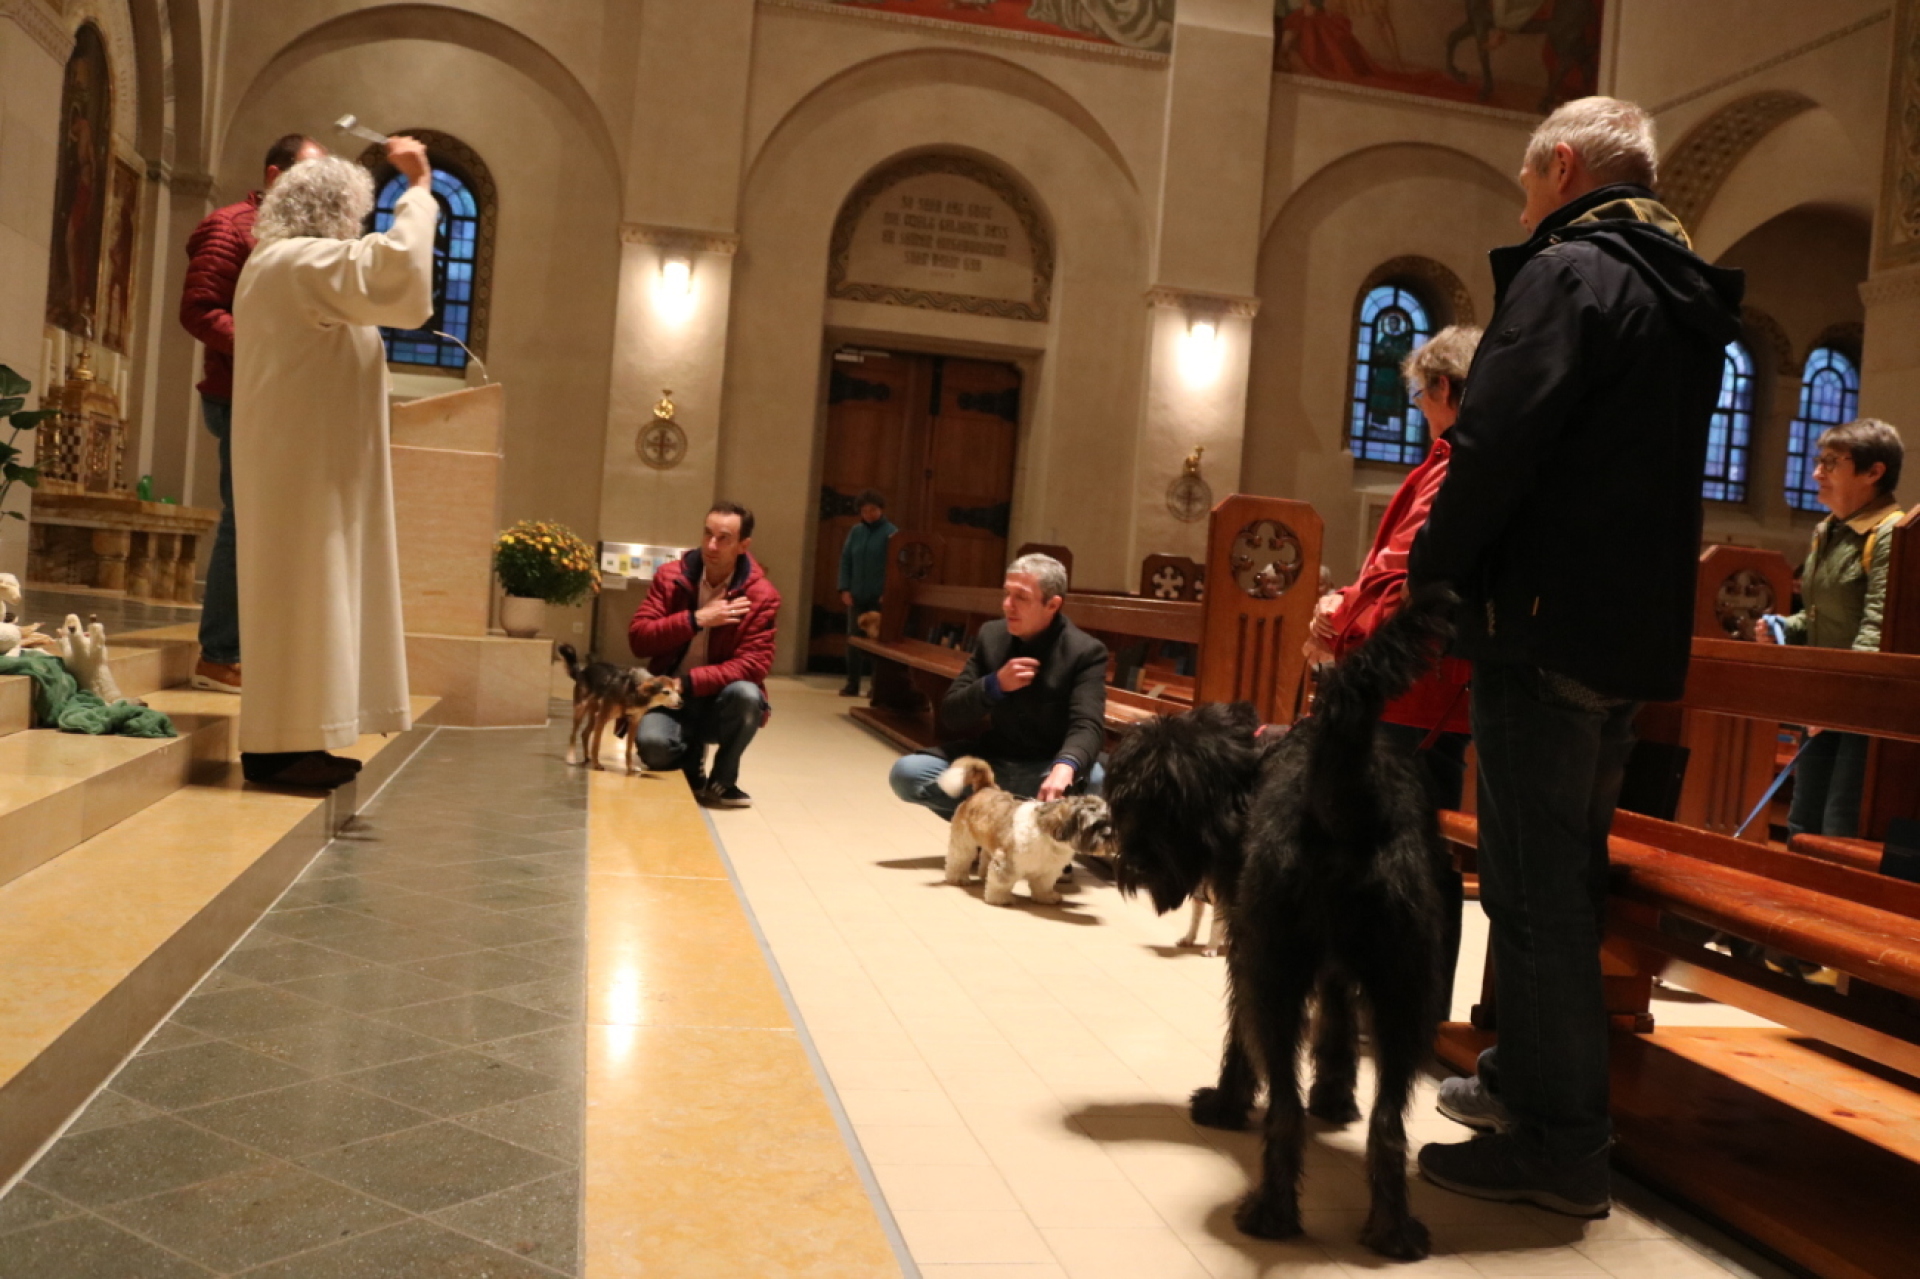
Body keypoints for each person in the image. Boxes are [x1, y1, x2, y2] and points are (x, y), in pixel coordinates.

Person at [1406, 97, 1744, 1215]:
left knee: (1534, 887)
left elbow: (1497, 444)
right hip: (1627, 633)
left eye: (1523, 180)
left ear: (1561, 166)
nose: (1522, 200)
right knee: (1564, 874)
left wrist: (1431, 571)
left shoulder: (1569, 273)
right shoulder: (1682, 293)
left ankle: (1561, 1146)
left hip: (1544, 625)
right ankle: (1525, 1078)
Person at [231, 140, 438, 790]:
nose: (355, 228)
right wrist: (420, 188)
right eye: (351, 216)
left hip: (315, 468)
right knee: (302, 598)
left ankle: (300, 738)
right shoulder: (295, 263)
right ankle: (274, 749)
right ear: (327, 214)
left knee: (312, 602)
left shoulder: (286, 265)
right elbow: (399, 273)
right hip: (303, 474)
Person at [1307, 324, 1482, 998]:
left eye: (1418, 394)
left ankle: (1419, 999)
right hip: (1408, 677)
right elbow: (1386, 572)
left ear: (1441, 386)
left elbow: (1413, 581)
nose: (1418, 407)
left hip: (1418, 682)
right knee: (1394, 838)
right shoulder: (1450, 456)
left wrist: (1341, 621)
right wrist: (1345, 604)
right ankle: (1395, 992)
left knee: (1414, 845)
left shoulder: (1461, 461)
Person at [179, 133, 327, 695]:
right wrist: (270, 348)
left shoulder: (297, 237)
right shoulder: (229, 225)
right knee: (243, 524)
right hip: (240, 393)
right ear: (273, 174)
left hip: (282, 396)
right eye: (305, 177)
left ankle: (246, 648)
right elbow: (198, 310)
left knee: (269, 527)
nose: (314, 190)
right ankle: (218, 655)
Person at [1758, 419, 1906, 838]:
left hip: (1867, 706)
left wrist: (1841, 701)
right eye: (1818, 461)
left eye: (1830, 463)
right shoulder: (1829, 531)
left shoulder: (1894, 534)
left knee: (1840, 826)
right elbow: (1823, 617)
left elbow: (1878, 628)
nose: (1816, 473)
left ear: (1874, 472)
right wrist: (1784, 627)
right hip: (1828, 700)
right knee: (1803, 819)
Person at [889, 553, 1107, 822]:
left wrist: (1065, 766)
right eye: (1006, 594)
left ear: (1052, 604)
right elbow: (952, 713)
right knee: (907, 773)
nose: (1007, 605)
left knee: (1095, 780)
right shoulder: (992, 636)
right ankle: (990, 827)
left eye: (1021, 597)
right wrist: (994, 685)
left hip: (1045, 767)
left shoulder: (1084, 652)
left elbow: (1087, 724)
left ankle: (1010, 822)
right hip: (994, 763)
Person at [630, 501, 782, 809]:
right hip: (670, 697)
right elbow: (639, 639)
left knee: (747, 694)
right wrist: (695, 619)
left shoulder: (761, 596)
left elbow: (753, 665)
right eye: (707, 534)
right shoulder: (670, 577)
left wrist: (687, 683)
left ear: (743, 545)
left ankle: (723, 781)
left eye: (724, 537)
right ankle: (690, 762)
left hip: (715, 700)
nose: (712, 545)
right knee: (654, 749)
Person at [838, 489, 897, 698]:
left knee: (878, 643)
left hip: (880, 596)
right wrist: (845, 588)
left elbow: (895, 566)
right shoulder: (855, 532)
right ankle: (852, 684)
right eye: (864, 511)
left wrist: (887, 593)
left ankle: (876, 686)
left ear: (881, 510)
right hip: (856, 594)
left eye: (872, 510)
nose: (869, 514)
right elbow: (846, 560)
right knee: (853, 640)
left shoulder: (891, 532)